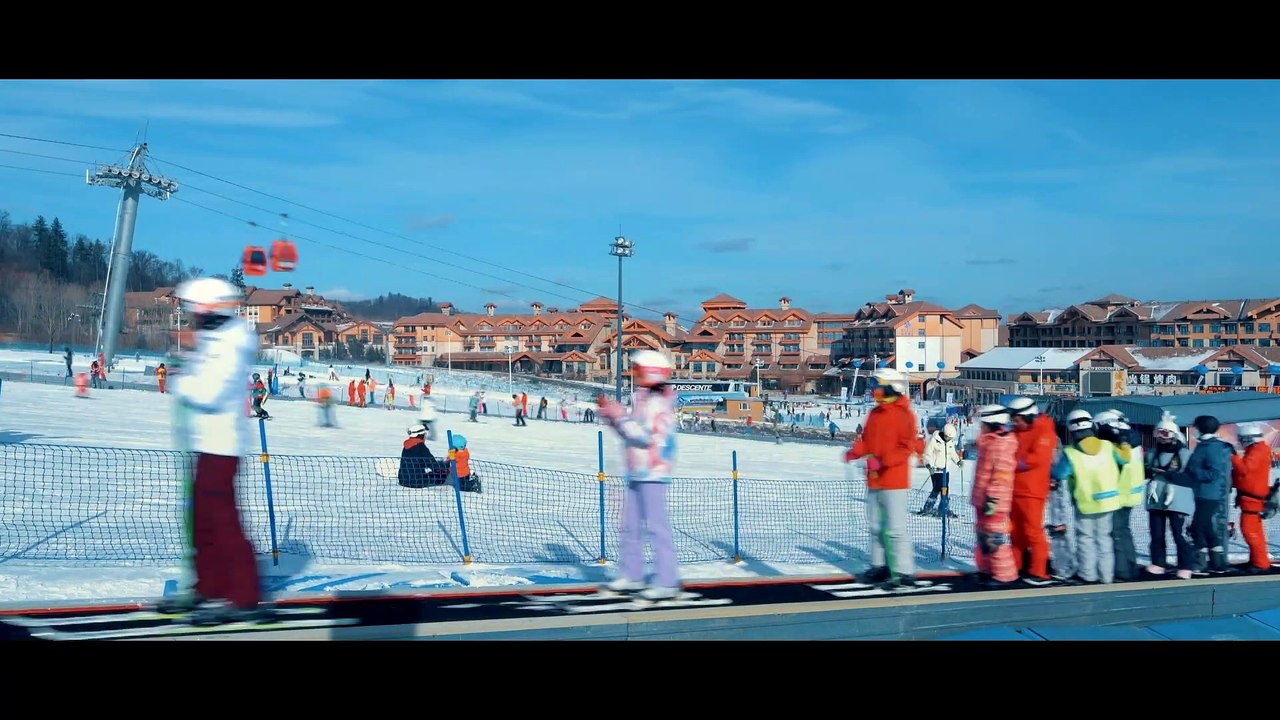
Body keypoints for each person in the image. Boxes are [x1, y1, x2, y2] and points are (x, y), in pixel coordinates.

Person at [158, 277, 264, 624]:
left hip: (222, 446)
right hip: (207, 444)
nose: (192, 319)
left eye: (193, 312)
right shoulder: (217, 339)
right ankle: (210, 588)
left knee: (222, 523)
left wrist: (182, 379)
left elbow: (210, 393)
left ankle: (242, 594)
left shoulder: (229, 344)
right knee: (203, 523)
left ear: (207, 310)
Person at [596, 350, 682, 601]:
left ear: (652, 372)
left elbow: (645, 436)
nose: (634, 374)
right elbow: (629, 433)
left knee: (657, 527)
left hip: (654, 472)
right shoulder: (642, 400)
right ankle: (632, 575)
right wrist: (613, 416)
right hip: (636, 472)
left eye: (638, 370)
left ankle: (667, 580)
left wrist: (619, 416)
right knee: (630, 527)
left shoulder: (659, 404)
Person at [844, 368, 928, 590]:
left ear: (891, 387)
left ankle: (903, 570)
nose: (874, 391)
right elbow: (867, 440)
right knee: (875, 526)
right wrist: (855, 452)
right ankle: (879, 565)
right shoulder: (875, 413)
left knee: (896, 528)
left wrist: (883, 461)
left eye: (877, 386)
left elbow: (905, 447)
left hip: (894, 479)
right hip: (874, 478)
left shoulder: (904, 415)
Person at [1051, 409, 1122, 584]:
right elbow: (1124, 460)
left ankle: (1088, 574)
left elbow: (1060, 473)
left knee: (1086, 540)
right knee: (1105, 539)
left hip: (1086, 503)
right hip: (1109, 500)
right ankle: (1106, 576)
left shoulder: (1071, 453)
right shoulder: (1108, 446)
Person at [1007, 396, 1057, 585]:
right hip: (1016, 488)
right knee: (1015, 532)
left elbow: (1038, 458)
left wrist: (1013, 462)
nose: (1014, 422)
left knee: (1033, 531)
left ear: (1028, 417)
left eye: (1017, 418)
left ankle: (1038, 569)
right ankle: (1017, 566)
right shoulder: (1017, 431)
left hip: (1032, 490)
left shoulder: (1043, 430)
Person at [972, 404, 1019, 586]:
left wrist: (991, 501)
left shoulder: (1002, 445)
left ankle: (1005, 575)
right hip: (983, 499)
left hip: (994, 501)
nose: (980, 427)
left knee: (995, 538)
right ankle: (987, 570)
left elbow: (1001, 477)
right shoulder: (989, 442)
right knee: (983, 537)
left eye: (983, 423)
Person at [1094, 410, 1144, 581]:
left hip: (1118, 494)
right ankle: (1131, 566)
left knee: (1116, 533)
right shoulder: (1132, 440)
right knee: (1124, 531)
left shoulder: (1117, 444)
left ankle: (1122, 571)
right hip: (1131, 493)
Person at [1144, 414, 1196, 579]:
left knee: (1178, 533)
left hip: (1178, 498)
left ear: (1173, 434)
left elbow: (1191, 476)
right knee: (1156, 532)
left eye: (1165, 434)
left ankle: (1186, 565)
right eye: (1158, 433)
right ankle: (1158, 563)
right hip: (1157, 497)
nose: (1161, 438)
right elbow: (1145, 469)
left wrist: (1169, 475)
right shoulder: (1153, 453)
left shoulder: (1184, 453)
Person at [1186, 415, 1234, 575]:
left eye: (1196, 427)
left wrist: (1195, 472)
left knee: (1198, 527)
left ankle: (1199, 563)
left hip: (1210, 494)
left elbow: (1214, 473)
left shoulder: (1211, 447)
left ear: (1202, 428)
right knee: (1207, 528)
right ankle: (1218, 563)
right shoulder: (1203, 445)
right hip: (1201, 493)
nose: (1194, 430)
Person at [1231, 423, 1272, 573]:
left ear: (1249, 439)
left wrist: (1233, 458)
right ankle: (1259, 560)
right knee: (1254, 531)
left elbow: (1245, 468)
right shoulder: (1258, 450)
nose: (1240, 443)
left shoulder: (1258, 451)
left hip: (1253, 499)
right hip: (1251, 498)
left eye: (1241, 439)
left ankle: (1260, 563)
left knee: (1250, 531)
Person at [918, 422, 960, 517]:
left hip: (946, 471)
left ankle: (943, 508)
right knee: (937, 488)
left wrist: (958, 461)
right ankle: (928, 508)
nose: (949, 439)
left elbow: (952, 453)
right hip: (936, 470)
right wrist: (929, 466)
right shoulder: (934, 440)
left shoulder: (950, 442)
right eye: (948, 437)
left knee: (945, 489)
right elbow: (927, 454)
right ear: (944, 434)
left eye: (951, 438)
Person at [398, 424, 450, 488]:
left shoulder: (407, 446)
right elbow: (432, 465)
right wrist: (446, 464)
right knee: (441, 474)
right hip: (416, 482)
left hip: (403, 480)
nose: (425, 437)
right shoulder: (420, 447)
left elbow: (421, 463)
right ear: (420, 435)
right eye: (424, 435)